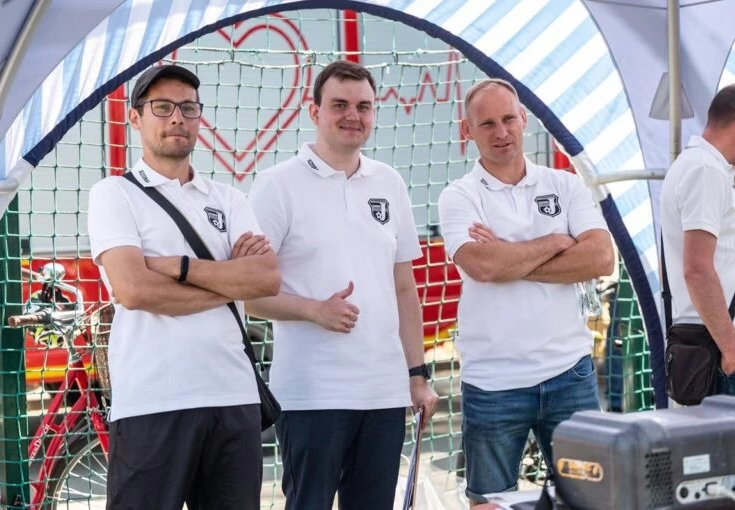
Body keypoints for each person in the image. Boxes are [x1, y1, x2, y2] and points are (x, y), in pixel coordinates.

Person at [245, 60, 439, 510]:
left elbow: (404, 288)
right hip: (312, 395)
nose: (353, 115)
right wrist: (314, 310)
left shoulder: (389, 182)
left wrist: (416, 376)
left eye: (363, 106)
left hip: (384, 394)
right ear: (314, 112)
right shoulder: (276, 186)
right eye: (340, 105)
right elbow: (247, 294)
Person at [87, 64, 280, 510]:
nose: (177, 117)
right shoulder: (114, 193)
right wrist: (229, 278)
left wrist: (179, 267)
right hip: (152, 400)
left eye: (188, 108)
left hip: (233, 396)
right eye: (162, 107)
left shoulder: (229, 198)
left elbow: (266, 279)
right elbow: (135, 290)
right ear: (135, 118)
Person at [437, 78, 614, 504]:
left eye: (508, 119)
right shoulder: (458, 196)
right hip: (493, 381)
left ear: (523, 120)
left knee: (590, 499)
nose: (501, 132)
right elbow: (483, 266)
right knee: (490, 503)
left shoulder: (565, 184)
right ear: (467, 130)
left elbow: (601, 258)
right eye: (487, 124)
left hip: (569, 372)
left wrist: (508, 257)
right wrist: (555, 241)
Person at [660, 84, 735, 395]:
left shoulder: (702, 166)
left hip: (708, 343)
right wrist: (730, 349)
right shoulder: (706, 170)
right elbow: (697, 269)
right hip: (717, 350)